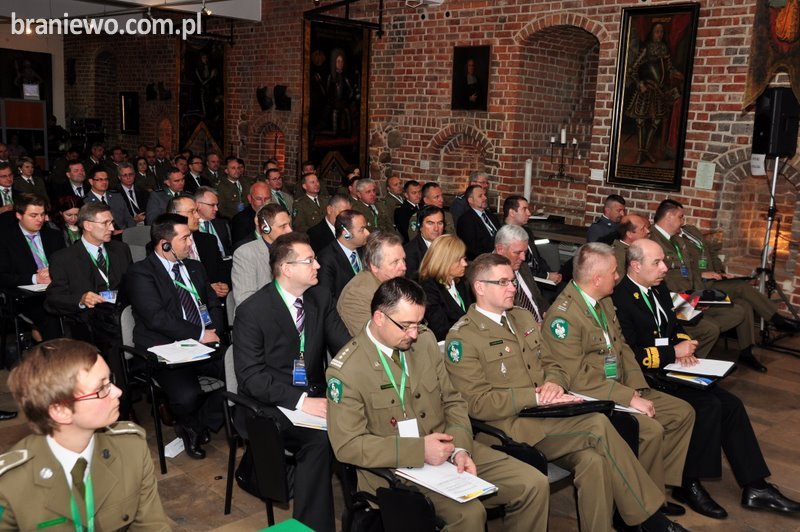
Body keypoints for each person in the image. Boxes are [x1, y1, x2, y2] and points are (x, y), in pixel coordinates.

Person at [445, 254, 687, 532]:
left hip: (550, 418)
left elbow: (553, 364)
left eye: (512, 281)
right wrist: (535, 397)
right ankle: (651, 519)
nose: (512, 287)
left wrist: (554, 383)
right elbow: (476, 403)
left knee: (594, 461)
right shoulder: (463, 337)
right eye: (503, 282)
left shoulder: (522, 318)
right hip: (510, 428)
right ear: (480, 287)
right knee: (597, 424)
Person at [326, 278, 549, 531]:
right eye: (406, 326)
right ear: (379, 317)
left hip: (449, 448)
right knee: (470, 514)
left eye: (418, 324)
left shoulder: (425, 341)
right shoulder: (348, 370)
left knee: (533, 484)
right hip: (395, 469)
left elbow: (453, 401)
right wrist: (419, 450)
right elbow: (348, 446)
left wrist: (460, 449)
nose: (413, 334)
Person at [613, 239, 800, 518]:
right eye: (657, 262)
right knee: (708, 406)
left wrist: (684, 345)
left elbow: (674, 326)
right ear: (636, 266)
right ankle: (688, 483)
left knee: (732, 405)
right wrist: (673, 352)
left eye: (664, 261)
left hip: (672, 368)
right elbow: (628, 354)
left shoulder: (658, 288)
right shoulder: (620, 298)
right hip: (647, 377)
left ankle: (756, 486)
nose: (664, 268)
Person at [542, 243, 695, 512]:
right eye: (614, 272)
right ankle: (643, 507)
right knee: (650, 430)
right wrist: (628, 398)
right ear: (596, 278)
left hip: (621, 386)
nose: (617, 276)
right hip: (595, 397)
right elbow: (576, 378)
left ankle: (656, 488)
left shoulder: (603, 301)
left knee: (682, 413)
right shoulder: (563, 317)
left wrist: (637, 389)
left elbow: (622, 347)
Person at [234, 232, 350, 532]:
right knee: (319, 441)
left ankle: (361, 512)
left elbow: (346, 348)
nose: (318, 266)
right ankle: (313, 527)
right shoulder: (252, 311)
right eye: (309, 261)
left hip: (315, 395)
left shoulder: (320, 297)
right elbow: (250, 377)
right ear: (286, 268)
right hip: (269, 404)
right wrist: (301, 401)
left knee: (360, 421)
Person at [0, 338, 169, 530]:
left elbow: (151, 526)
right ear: (61, 411)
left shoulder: (131, 448)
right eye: (101, 388)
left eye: (110, 381)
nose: (117, 392)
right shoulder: (11, 483)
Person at [126, 213, 225, 459]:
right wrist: (199, 334)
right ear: (165, 244)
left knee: (243, 374)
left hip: (205, 343)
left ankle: (201, 423)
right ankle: (189, 424)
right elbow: (156, 318)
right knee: (187, 396)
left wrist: (214, 331)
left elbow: (213, 303)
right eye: (185, 238)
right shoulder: (141, 273)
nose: (191, 243)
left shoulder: (194, 267)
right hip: (166, 349)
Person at [650, 199, 767, 371]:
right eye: (681, 217)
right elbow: (659, 283)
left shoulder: (677, 240)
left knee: (738, 311)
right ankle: (687, 361)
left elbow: (691, 272)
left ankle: (692, 342)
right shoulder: (653, 241)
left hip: (692, 297)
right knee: (711, 329)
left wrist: (700, 296)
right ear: (669, 216)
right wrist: (690, 301)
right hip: (675, 302)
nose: (683, 221)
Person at [45, 203, 133, 400]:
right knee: (113, 342)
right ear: (87, 225)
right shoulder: (64, 258)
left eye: (112, 222)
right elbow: (53, 299)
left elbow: (133, 284)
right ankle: (119, 401)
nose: (112, 228)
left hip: (122, 314)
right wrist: (81, 299)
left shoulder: (121, 249)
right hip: (89, 321)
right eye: (106, 223)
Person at [0, 194, 65, 341]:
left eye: (42, 214)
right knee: (50, 316)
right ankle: (56, 355)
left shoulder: (54, 235)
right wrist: (35, 278)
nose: (40, 219)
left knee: (85, 307)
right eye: (34, 215)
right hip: (26, 297)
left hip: (57, 289)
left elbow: (66, 264)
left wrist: (53, 272)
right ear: (19, 215)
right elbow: (2, 276)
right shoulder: (5, 239)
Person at [337, 231, 407, 335]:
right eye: (395, 262)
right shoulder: (356, 295)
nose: (404, 267)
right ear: (374, 266)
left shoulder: (395, 282)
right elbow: (375, 339)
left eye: (403, 260)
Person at [231, 204, 293, 307]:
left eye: (289, 224)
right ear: (265, 228)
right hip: (264, 312)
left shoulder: (294, 249)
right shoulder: (245, 253)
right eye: (283, 226)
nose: (289, 230)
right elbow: (245, 300)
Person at [418, 234, 471, 341]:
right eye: (459, 260)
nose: (465, 264)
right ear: (444, 261)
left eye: (464, 258)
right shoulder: (428, 290)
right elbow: (441, 331)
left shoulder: (460, 282)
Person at [493, 224, 550, 323]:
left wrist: (549, 314)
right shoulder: (489, 277)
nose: (523, 258)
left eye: (525, 252)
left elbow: (538, 297)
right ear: (500, 249)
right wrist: (533, 327)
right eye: (517, 253)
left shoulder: (523, 266)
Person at [315, 209, 369, 300]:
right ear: (346, 234)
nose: (367, 233)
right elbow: (327, 297)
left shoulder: (365, 249)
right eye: (362, 230)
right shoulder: (326, 259)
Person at [456, 184, 500, 260]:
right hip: (483, 260)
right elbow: (472, 249)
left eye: (485, 195)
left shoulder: (491, 216)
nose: (485, 198)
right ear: (470, 200)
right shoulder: (466, 220)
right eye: (480, 196)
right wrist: (493, 254)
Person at [404, 205, 445, 280]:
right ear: (420, 226)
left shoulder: (448, 246)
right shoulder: (410, 251)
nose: (436, 228)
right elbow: (413, 282)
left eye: (440, 223)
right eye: (430, 223)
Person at [230, 181, 272, 248]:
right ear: (250, 199)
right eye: (259, 199)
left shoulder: (275, 215)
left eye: (267, 198)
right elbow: (241, 247)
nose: (263, 203)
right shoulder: (240, 220)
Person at [217, 156, 253, 220]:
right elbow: (221, 209)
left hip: (248, 217)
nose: (237, 170)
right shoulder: (221, 187)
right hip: (231, 219)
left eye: (238, 168)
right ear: (226, 171)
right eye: (233, 168)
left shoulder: (246, 182)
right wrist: (235, 218)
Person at [394, 179, 421, 243]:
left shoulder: (422, 206)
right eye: (414, 193)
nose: (418, 195)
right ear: (406, 195)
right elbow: (406, 233)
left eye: (419, 192)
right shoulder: (401, 211)